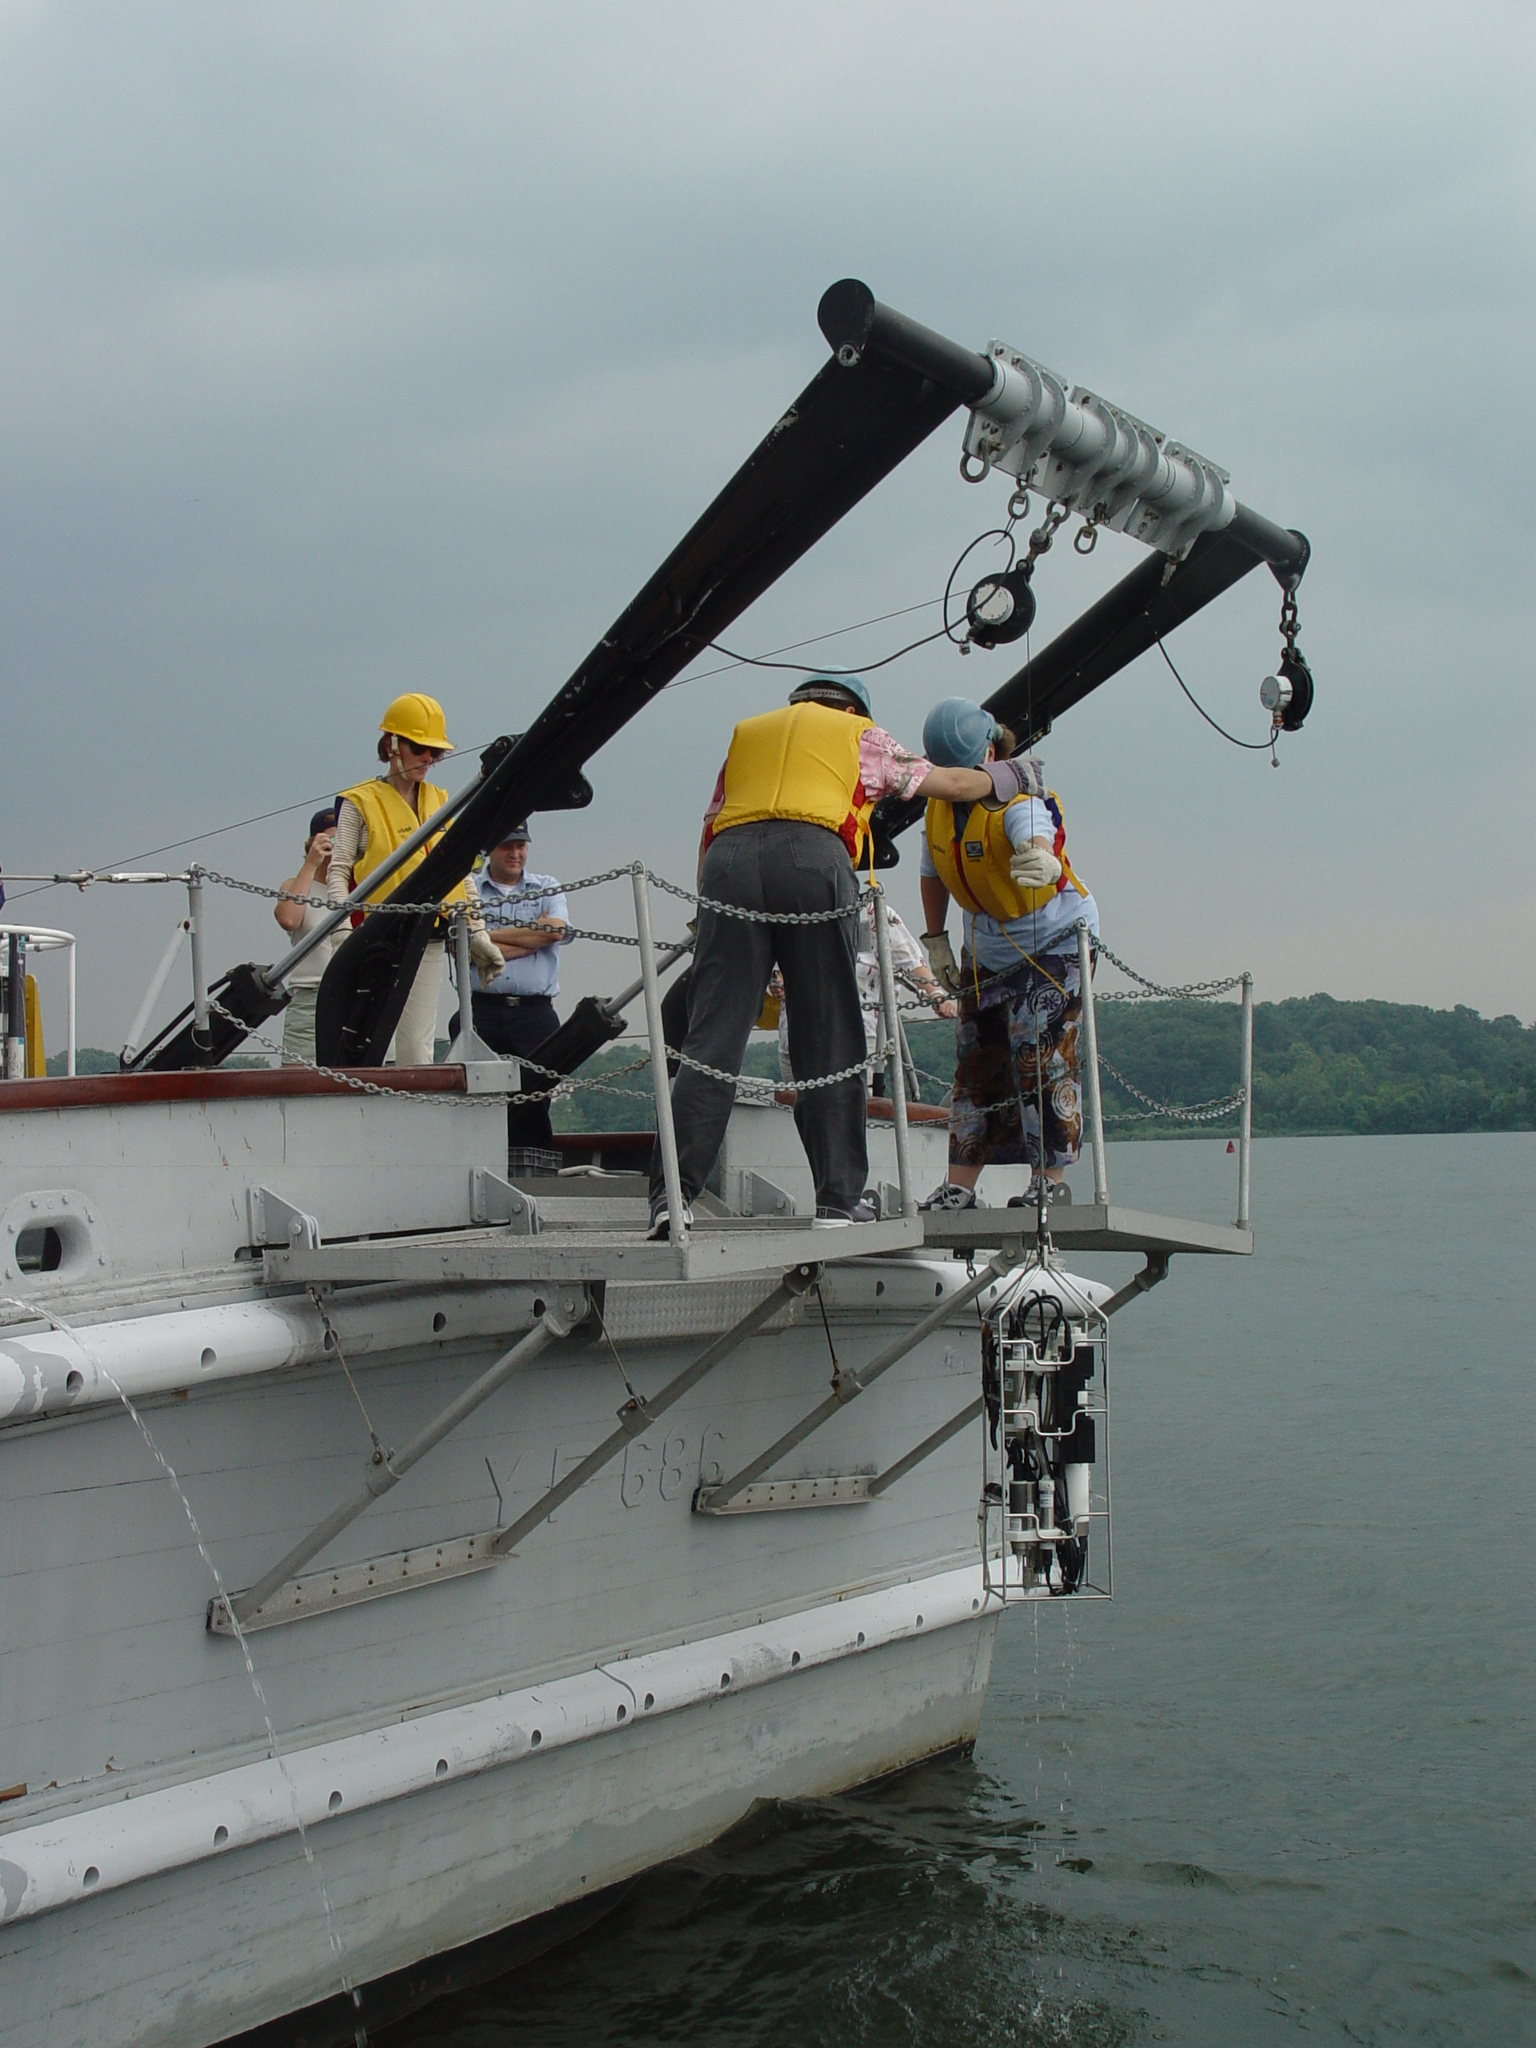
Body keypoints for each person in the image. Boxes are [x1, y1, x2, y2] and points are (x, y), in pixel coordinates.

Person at [649, 672, 1027, 1238]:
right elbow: (950, 784)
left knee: (712, 1036)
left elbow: (711, 825)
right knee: (828, 1028)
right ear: (853, 709)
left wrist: (709, 915)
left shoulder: (748, 735)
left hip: (726, 867)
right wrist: (1011, 773)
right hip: (812, 859)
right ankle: (837, 1201)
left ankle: (671, 1199)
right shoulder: (860, 735)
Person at [915, 697, 1099, 1212]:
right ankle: (959, 1185)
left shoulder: (1019, 799)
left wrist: (1042, 857)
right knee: (975, 1064)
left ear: (991, 753)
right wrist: (936, 940)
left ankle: (1049, 1180)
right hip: (987, 948)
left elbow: (1036, 833)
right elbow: (933, 874)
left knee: (1041, 1056)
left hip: (1053, 940)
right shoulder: (937, 812)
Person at [327, 694, 493, 1067]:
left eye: (435, 753)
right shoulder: (359, 801)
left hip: (429, 937)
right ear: (392, 745)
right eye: (421, 749)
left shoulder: (442, 801)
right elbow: (338, 871)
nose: (428, 760)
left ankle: (410, 1121)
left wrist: (478, 930)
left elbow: (461, 874)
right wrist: (341, 931)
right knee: (368, 1044)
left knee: (417, 1047)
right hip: (375, 941)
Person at [452, 824, 569, 1153]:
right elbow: (459, 945)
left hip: (535, 1014)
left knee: (536, 1099)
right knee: (476, 1098)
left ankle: (535, 1172)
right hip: (481, 1011)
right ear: (491, 849)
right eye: (508, 846)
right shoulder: (467, 888)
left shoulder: (547, 886)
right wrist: (532, 940)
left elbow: (556, 930)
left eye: (521, 845)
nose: (516, 853)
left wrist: (487, 937)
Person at [775, 899, 956, 1094]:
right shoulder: (795, 907)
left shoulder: (875, 914)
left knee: (851, 1112)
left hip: (857, 1039)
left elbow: (911, 962)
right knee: (798, 1113)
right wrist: (778, 982)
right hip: (797, 1036)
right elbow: (776, 963)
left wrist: (937, 995)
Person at [273, 807, 336, 1065]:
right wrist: (312, 863)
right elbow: (288, 918)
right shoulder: (295, 885)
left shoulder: (360, 888)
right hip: (310, 995)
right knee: (299, 1077)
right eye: (329, 840)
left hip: (354, 994)